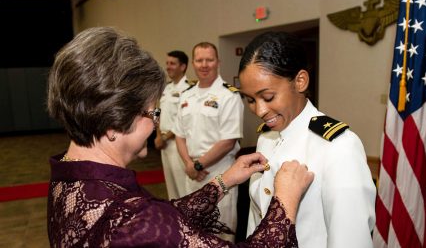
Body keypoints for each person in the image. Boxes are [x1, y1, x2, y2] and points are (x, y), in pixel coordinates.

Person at [46, 27, 314, 247]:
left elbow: (163, 222)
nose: (155, 125)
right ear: (115, 120)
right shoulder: (131, 219)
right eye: (152, 113)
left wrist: (223, 181)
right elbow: (150, 226)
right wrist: (285, 201)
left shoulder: (69, 179)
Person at [238, 31, 376, 248]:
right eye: (250, 100)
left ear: (300, 81)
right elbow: (256, 221)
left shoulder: (338, 146)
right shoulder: (266, 138)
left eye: (268, 97)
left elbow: (350, 240)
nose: (260, 110)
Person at [173, 42, 243, 241]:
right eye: (200, 60)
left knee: (220, 231)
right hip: (192, 175)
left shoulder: (229, 96)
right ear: (193, 63)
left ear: (218, 62)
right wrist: (188, 163)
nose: (204, 65)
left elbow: (228, 141)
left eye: (209, 60)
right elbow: (180, 135)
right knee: (193, 227)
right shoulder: (186, 95)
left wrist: (197, 164)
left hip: (219, 173)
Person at [154, 50, 193, 199]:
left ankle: (187, 218)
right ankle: (175, 216)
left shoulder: (188, 90)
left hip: (178, 144)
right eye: (167, 63)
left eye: (172, 63)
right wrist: (158, 135)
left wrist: (165, 137)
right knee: (171, 186)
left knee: (183, 186)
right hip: (163, 143)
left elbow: (183, 120)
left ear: (183, 67)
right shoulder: (166, 88)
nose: (168, 67)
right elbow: (158, 112)